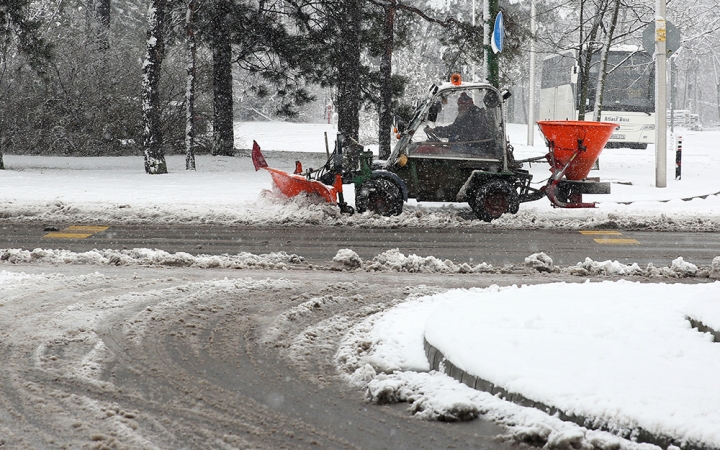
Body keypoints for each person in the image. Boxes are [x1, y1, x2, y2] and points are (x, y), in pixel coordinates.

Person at [424, 92, 493, 144]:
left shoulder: (475, 115)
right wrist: (435, 130)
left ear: (467, 105)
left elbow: (473, 135)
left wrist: (456, 138)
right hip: (469, 145)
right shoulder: (466, 115)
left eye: (460, 105)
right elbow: (453, 129)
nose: (458, 108)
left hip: (475, 147)